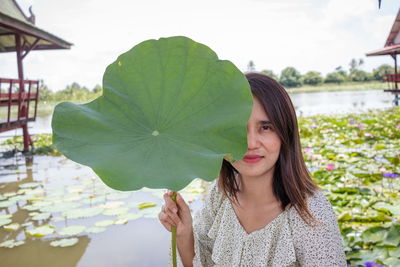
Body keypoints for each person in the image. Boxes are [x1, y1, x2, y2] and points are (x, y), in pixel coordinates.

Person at [158, 72, 346, 267]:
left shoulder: (311, 213)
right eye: (238, 129)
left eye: (265, 127)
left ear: (285, 133)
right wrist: (183, 232)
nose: (250, 143)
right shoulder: (221, 194)